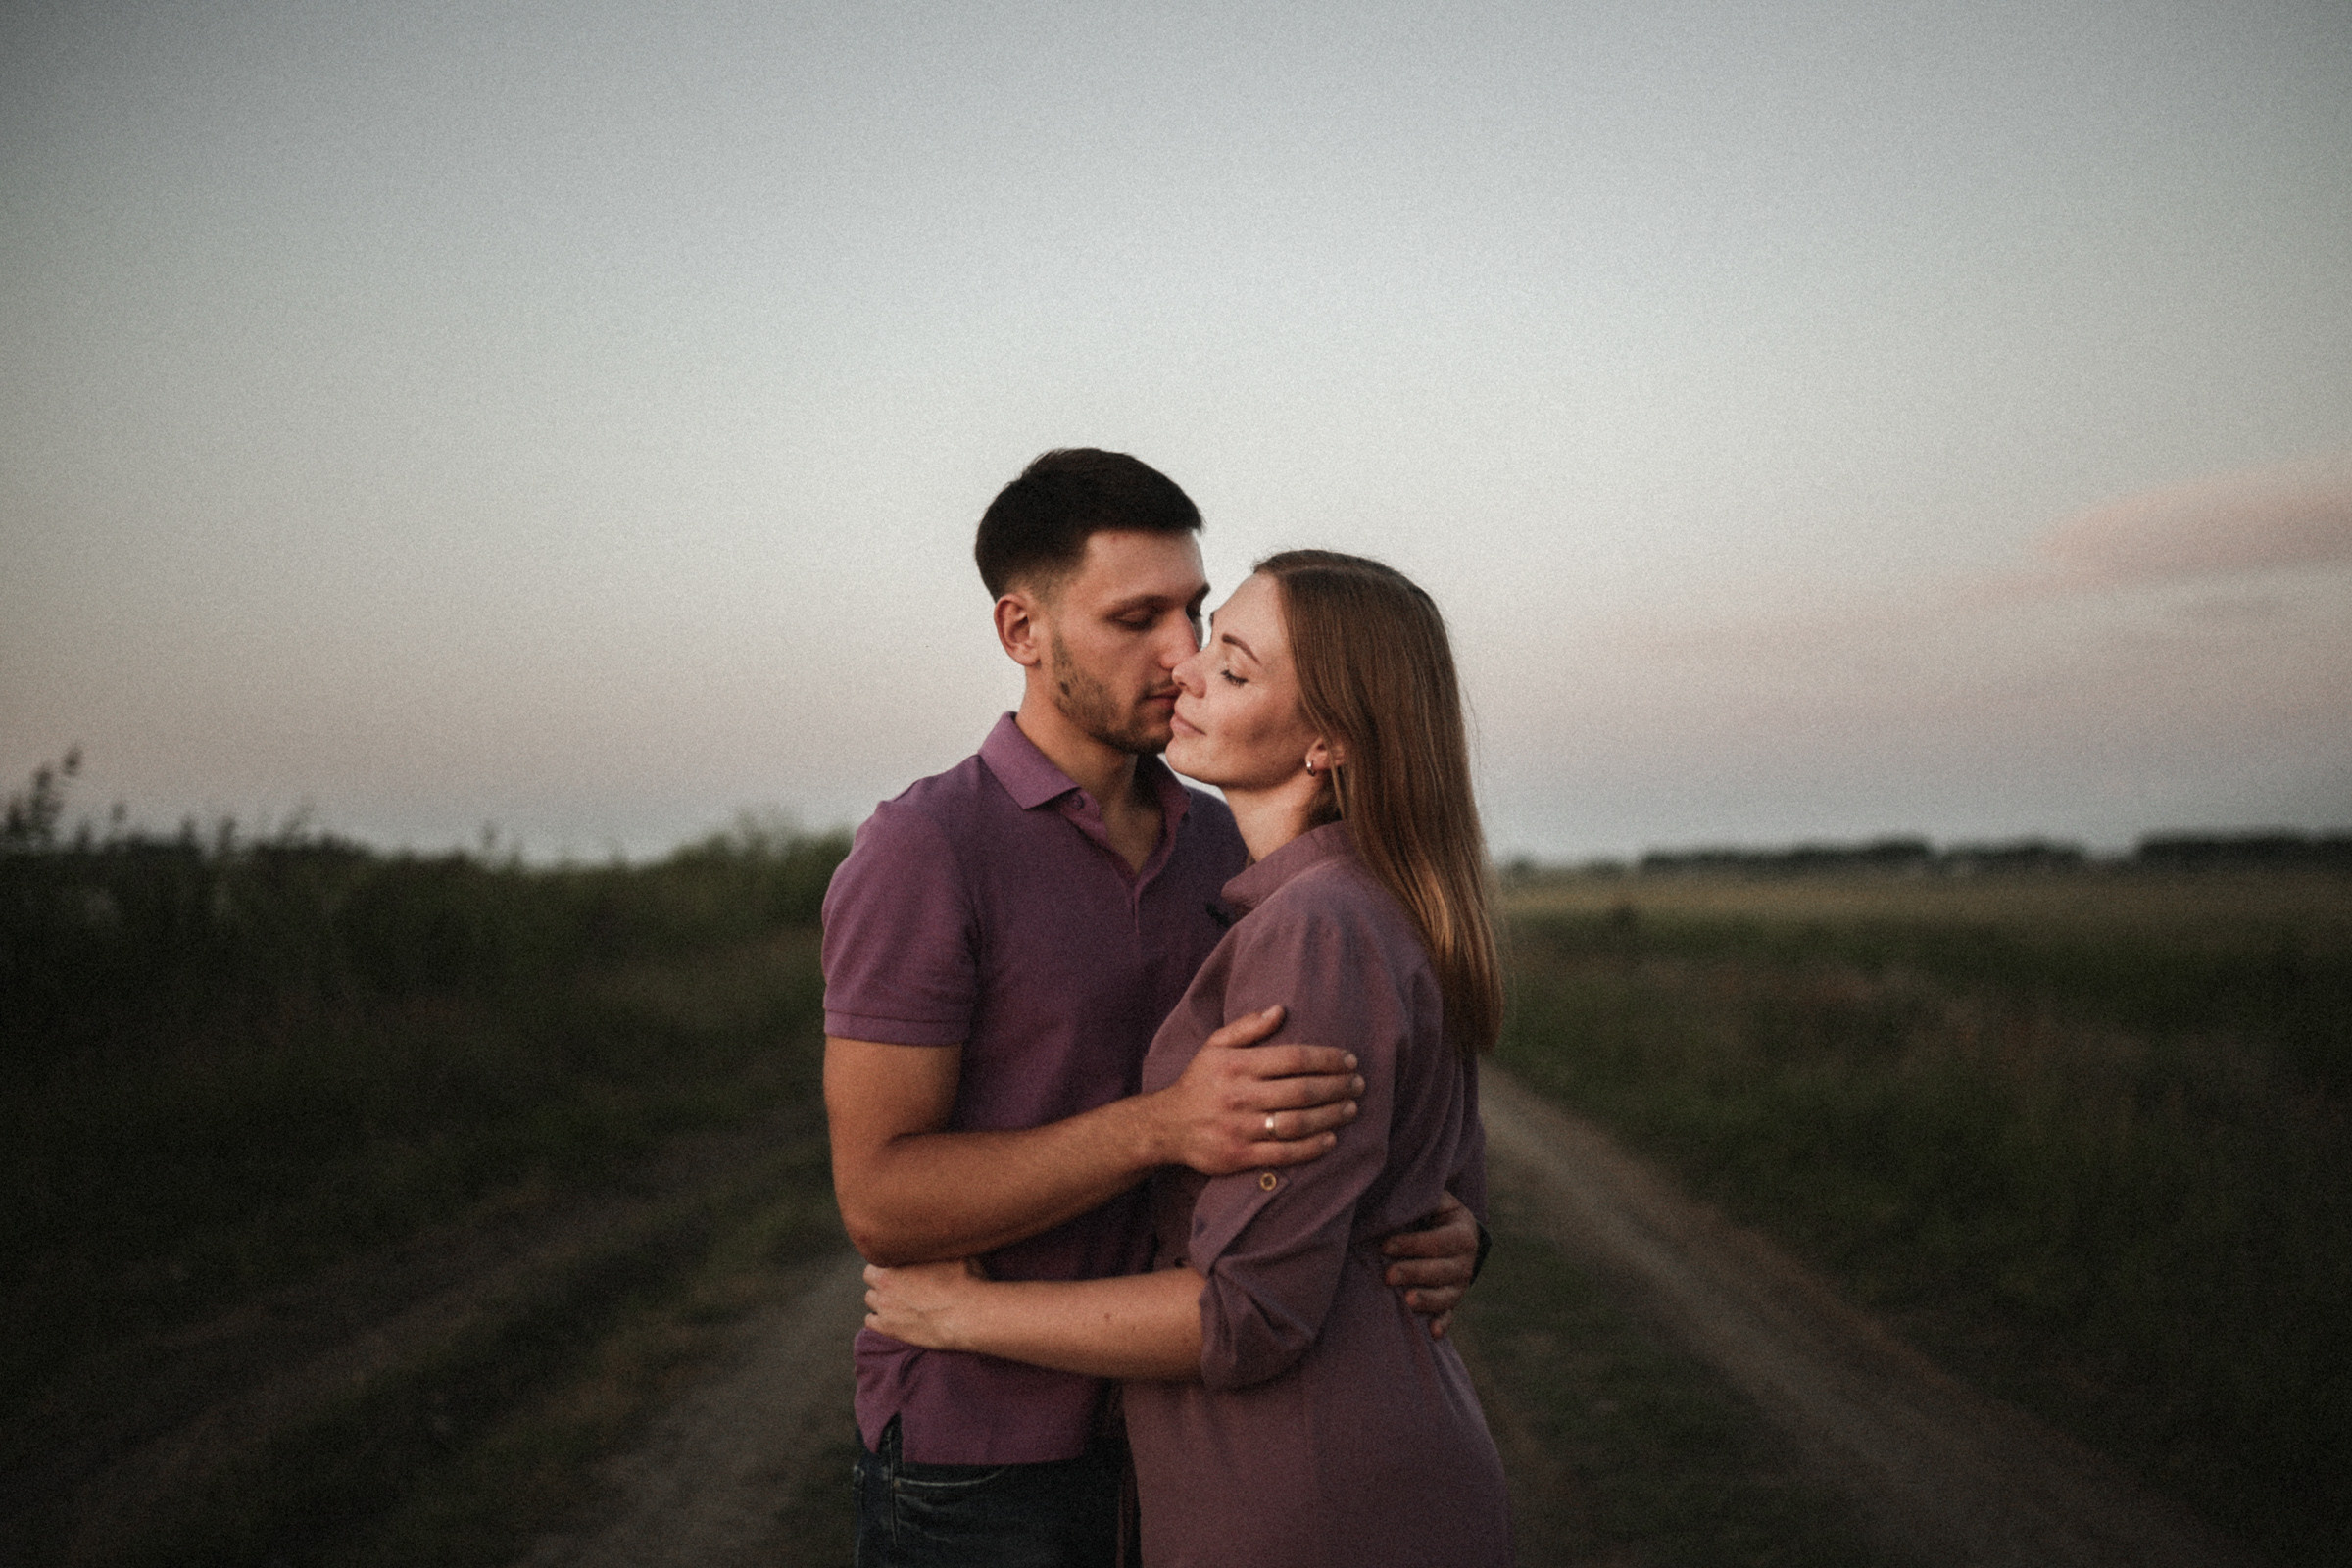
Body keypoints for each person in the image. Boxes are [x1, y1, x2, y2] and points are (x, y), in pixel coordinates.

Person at [821, 453, 1486, 1567]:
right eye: (1137, 617)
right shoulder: (927, 850)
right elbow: (882, 1204)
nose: (1180, 652)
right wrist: (1158, 1126)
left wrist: (1443, 1224)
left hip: (1199, 1437)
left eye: (1192, 609)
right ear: (1022, 632)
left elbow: (1367, 1098)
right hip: (992, 1453)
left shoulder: (1235, 846)